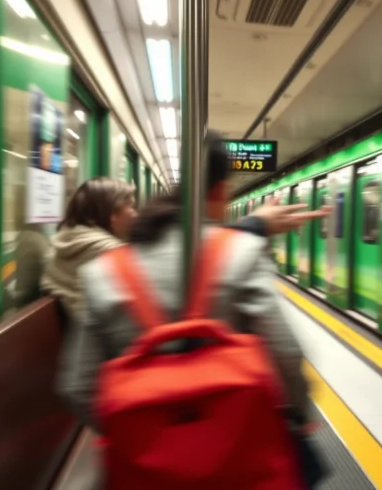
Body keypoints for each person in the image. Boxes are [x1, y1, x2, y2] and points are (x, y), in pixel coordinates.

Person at [58, 133, 317, 434]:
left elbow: (76, 386)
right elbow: (286, 352)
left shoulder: (102, 271)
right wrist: (297, 415)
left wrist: (133, 436)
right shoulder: (243, 252)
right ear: (220, 191)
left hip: (145, 459)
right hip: (236, 441)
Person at [42, 177, 330, 323]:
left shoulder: (70, 242)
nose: (135, 212)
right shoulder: (103, 254)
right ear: (110, 214)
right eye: (129, 206)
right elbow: (178, 265)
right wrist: (253, 227)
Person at [41, 177, 138, 321]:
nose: (135, 214)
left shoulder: (63, 240)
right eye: (131, 207)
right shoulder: (111, 253)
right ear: (113, 215)